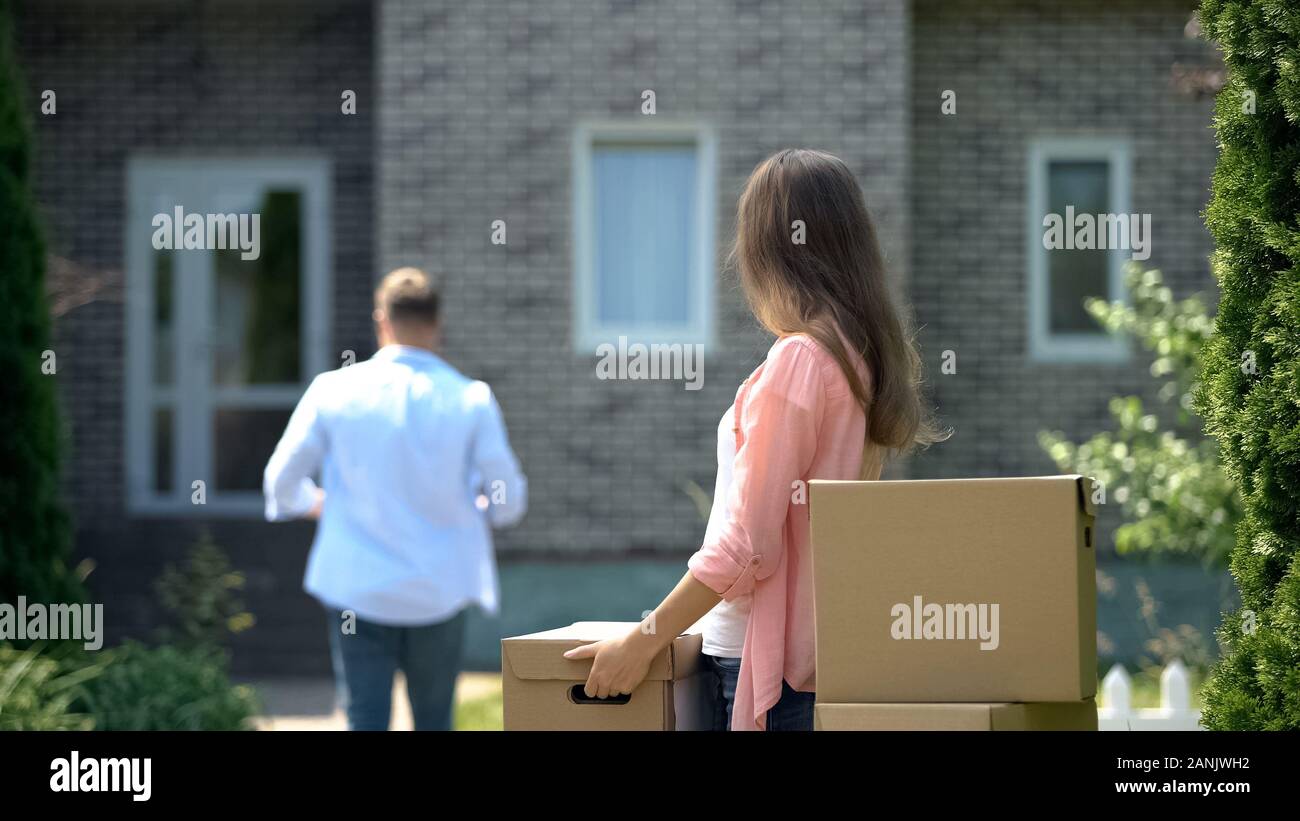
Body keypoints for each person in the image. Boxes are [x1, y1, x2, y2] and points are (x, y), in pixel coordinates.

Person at [564, 149, 943, 730]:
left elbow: (746, 546)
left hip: (756, 665)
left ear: (771, 250)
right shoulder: (857, 359)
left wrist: (642, 639)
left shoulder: (799, 361)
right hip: (814, 658)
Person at [263, 267, 527, 731]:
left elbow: (281, 482)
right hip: (438, 590)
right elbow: (508, 501)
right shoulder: (472, 399)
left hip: (356, 588)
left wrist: (317, 503)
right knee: (433, 719)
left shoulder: (333, 390)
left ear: (381, 320)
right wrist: (481, 508)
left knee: (364, 715)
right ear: (437, 323)